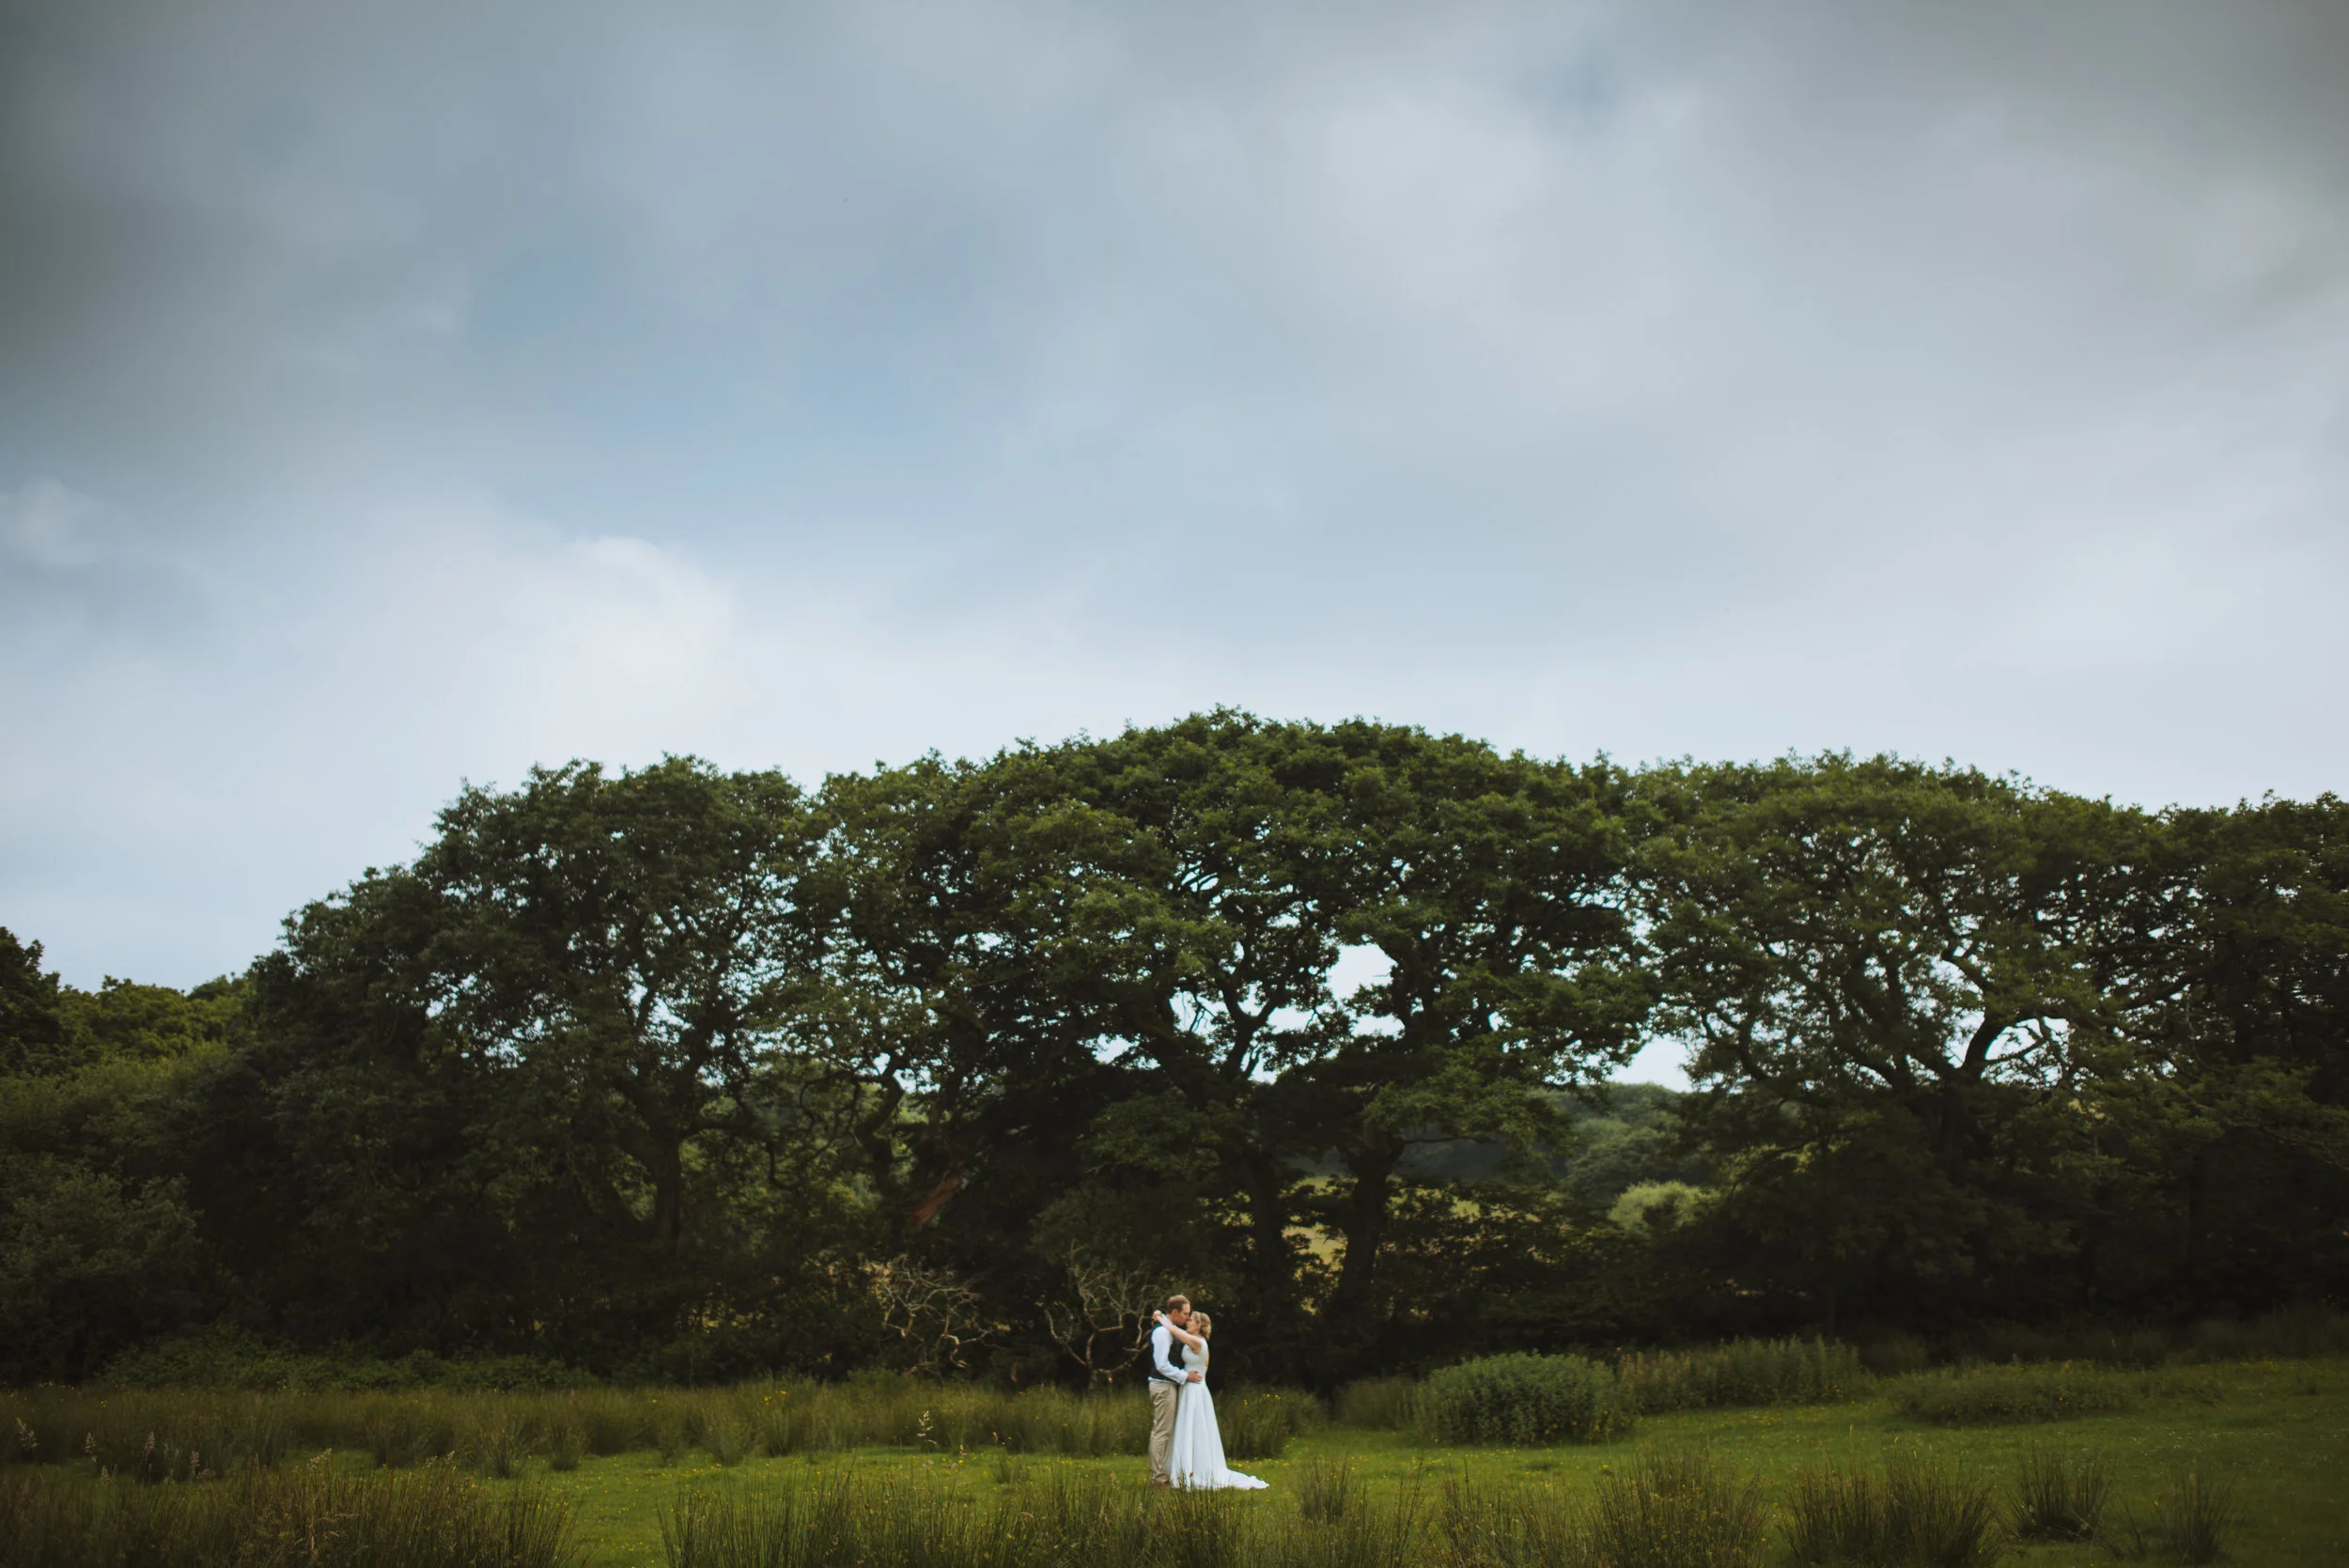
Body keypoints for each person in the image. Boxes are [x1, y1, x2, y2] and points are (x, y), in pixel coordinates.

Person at [1153, 1308, 1268, 1490]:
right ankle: (1186, 1468)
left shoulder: (1197, 1342)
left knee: (1195, 1428)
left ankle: (1195, 1470)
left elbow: (1174, 1331)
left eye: (1191, 1320)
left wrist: (1159, 1317)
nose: (1187, 1322)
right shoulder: (1198, 1341)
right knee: (1188, 1428)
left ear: (1199, 1325)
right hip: (1191, 1387)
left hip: (1194, 1389)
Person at [1145, 1294, 1203, 1486]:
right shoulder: (1162, 1333)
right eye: (1185, 1314)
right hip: (1163, 1386)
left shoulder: (1171, 1329)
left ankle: (1166, 1472)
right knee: (1161, 1431)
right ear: (1176, 1312)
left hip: (1169, 1386)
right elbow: (1162, 1365)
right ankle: (1158, 1478)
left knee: (1167, 1431)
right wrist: (1185, 1376)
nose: (1187, 1317)